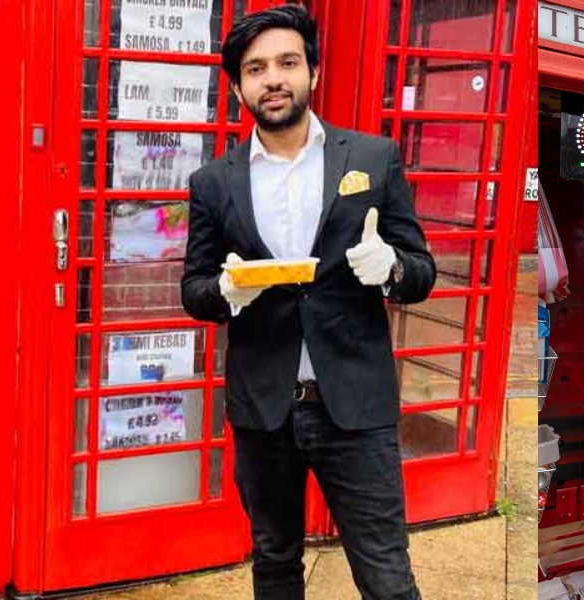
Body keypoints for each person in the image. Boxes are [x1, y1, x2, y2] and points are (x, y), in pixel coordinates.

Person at [180, 6, 434, 600]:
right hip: (263, 409)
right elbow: (193, 290)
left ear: (312, 73)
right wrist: (224, 292)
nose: (273, 78)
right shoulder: (213, 183)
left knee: (387, 575)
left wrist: (391, 267)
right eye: (256, 68)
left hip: (355, 404)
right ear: (238, 85)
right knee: (273, 562)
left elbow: (421, 272)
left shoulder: (373, 159)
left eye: (288, 63)